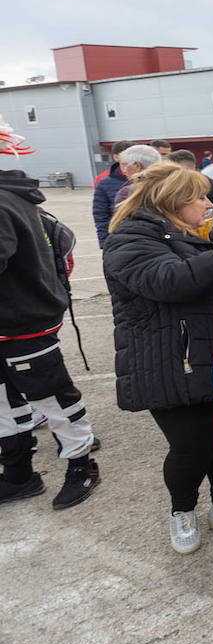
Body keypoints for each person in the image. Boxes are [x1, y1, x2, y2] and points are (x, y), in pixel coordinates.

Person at [103, 164, 213, 553]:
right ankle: (181, 510)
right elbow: (169, 281)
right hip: (165, 361)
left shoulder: (192, 231)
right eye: (199, 197)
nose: (207, 203)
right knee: (190, 447)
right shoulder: (130, 237)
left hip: (203, 353)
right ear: (173, 201)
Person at [0, 137, 101, 510]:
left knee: (51, 397)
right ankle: (18, 473)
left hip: (23, 321)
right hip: (13, 318)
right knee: (4, 401)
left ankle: (82, 465)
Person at [94, 140, 134, 247]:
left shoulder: (147, 179)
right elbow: (100, 214)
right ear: (116, 157)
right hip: (119, 237)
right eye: (126, 155)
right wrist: (104, 242)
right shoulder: (103, 182)